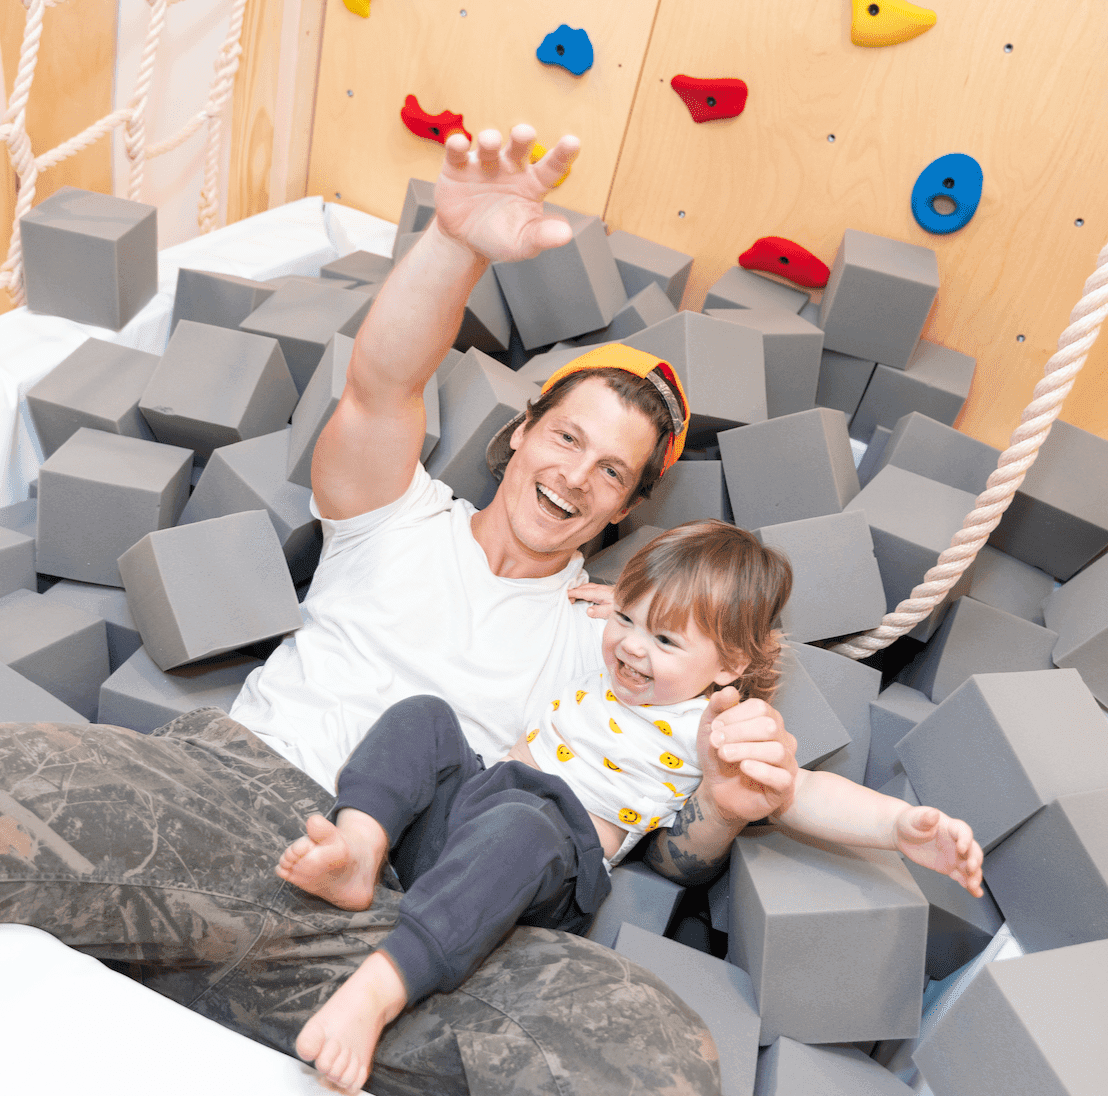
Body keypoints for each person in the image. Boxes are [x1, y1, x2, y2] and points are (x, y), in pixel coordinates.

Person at [0, 125, 800, 1096]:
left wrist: (721, 805)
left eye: (611, 470)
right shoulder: (400, 515)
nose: (575, 476)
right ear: (519, 436)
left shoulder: (618, 650)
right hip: (226, 805)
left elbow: (660, 843)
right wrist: (455, 244)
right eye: (566, 438)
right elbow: (384, 382)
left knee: (656, 1055)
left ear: (628, 507)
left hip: (390, 931)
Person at [275, 520, 984, 1093]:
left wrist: (896, 826)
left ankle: (380, 988)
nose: (631, 648)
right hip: (475, 805)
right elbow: (643, 619)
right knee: (424, 716)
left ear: (731, 665)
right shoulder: (618, 654)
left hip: (549, 855)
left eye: (664, 639)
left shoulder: (710, 723)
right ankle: (359, 851)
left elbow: (799, 792)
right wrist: (616, 603)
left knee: (520, 825)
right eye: (628, 619)